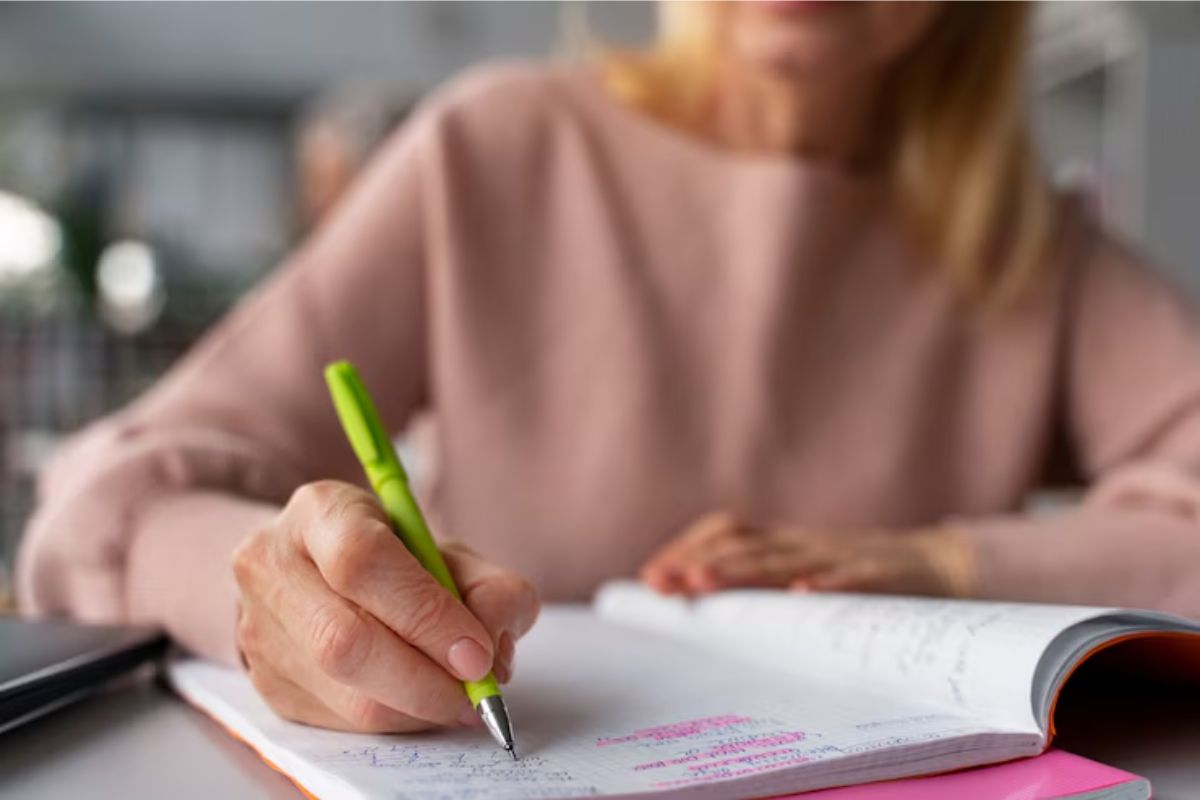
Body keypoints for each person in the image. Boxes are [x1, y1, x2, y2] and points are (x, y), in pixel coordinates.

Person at [17, 1, 1200, 736]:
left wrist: (944, 563)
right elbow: (102, 501)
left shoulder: (1035, 249)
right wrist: (272, 597)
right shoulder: (495, 150)